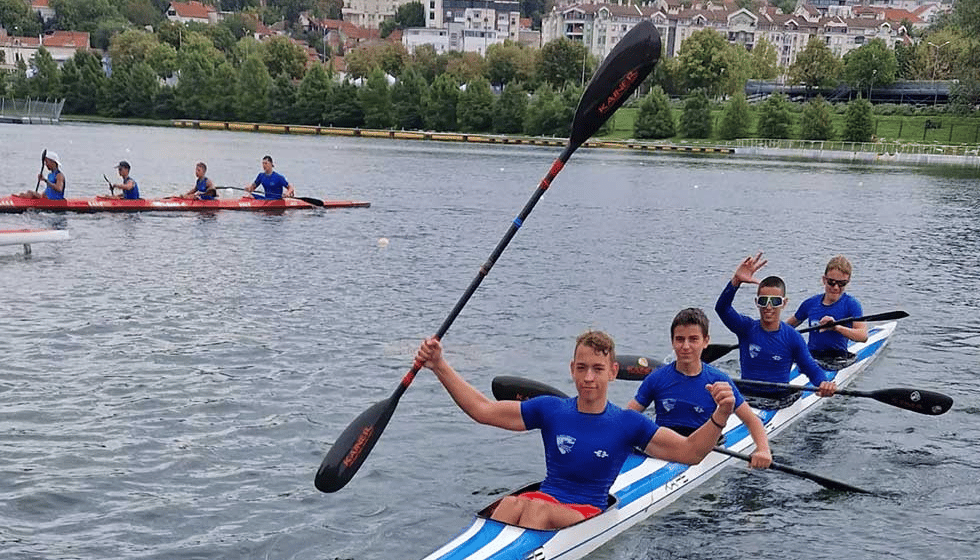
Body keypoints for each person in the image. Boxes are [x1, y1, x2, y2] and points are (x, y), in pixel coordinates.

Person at [415, 330, 735, 530]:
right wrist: (440, 365)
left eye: (597, 369)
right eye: (581, 368)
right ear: (572, 370)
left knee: (536, 511)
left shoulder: (628, 423)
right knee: (510, 503)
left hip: (586, 511)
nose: (589, 378)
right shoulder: (551, 410)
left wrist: (720, 415)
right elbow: (482, 410)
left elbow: (691, 452)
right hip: (544, 499)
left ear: (612, 372)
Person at [627, 308, 772, 469]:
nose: (686, 346)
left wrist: (763, 450)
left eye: (693, 339)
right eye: (680, 339)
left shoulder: (719, 380)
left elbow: (752, 420)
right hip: (664, 445)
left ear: (705, 341)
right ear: (672, 341)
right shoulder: (656, 378)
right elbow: (627, 417)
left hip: (701, 448)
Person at [715, 253, 836, 409]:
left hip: (778, 400)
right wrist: (735, 282)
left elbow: (810, 368)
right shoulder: (746, 328)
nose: (769, 307)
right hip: (746, 398)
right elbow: (722, 309)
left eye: (775, 301)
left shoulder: (793, 337)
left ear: (784, 303)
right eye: (764, 301)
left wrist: (824, 383)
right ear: (757, 303)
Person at [786, 255, 867, 366]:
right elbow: (787, 327)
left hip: (837, 358)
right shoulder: (810, 303)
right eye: (831, 282)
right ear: (824, 280)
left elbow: (862, 336)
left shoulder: (852, 305)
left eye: (841, 283)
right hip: (812, 356)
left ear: (848, 282)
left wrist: (836, 327)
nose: (836, 287)